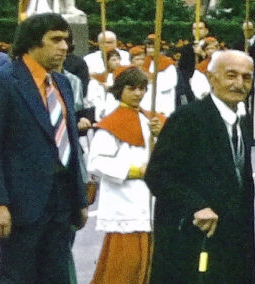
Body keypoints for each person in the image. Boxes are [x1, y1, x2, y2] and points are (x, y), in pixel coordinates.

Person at [0, 13, 88, 283]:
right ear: (32, 43)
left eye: (67, 41)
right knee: (17, 276)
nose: (64, 47)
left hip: (61, 202)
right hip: (20, 204)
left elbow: (70, 141)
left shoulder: (63, 83)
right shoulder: (1, 81)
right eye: (56, 40)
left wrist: (79, 198)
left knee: (57, 275)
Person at [145, 50, 255, 283]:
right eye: (231, 75)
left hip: (233, 238)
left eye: (246, 77)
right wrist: (196, 206)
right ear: (212, 78)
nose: (239, 84)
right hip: (192, 236)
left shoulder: (240, 121)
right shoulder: (188, 118)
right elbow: (157, 174)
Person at [87, 66, 164, 284]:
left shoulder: (150, 119)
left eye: (142, 88)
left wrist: (160, 135)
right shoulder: (111, 124)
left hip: (150, 199)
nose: (138, 93)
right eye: (132, 88)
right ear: (120, 90)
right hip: (125, 201)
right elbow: (97, 162)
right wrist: (134, 170)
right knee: (124, 266)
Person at [86, 49, 122, 122]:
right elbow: (92, 98)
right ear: (106, 61)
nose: (117, 62)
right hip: (102, 113)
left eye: (118, 59)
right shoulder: (97, 79)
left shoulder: (123, 77)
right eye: (113, 60)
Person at [178, 21, 208, 88]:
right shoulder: (186, 48)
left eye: (200, 28)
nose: (197, 31)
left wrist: (203, 54)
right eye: (194, 29)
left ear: (206, 31)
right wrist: (188, 79)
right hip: (190, 83)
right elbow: (182, 68)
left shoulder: (211, 46)